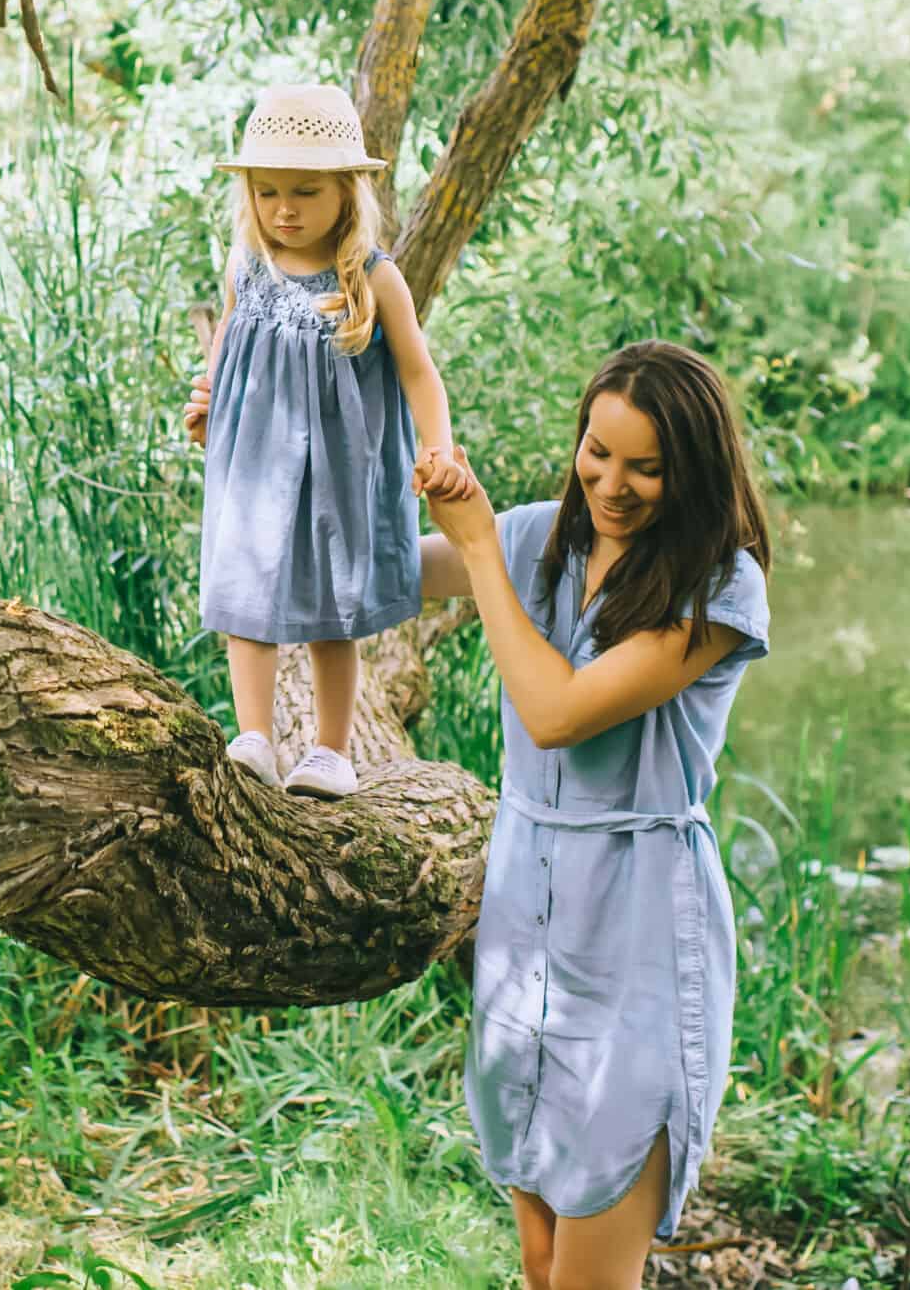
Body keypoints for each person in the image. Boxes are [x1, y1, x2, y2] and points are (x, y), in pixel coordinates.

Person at [419, 340, 772, 1290]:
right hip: (526, 920)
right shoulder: (546, 537)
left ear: (691, 470)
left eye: (645, 467)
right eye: (597, 451)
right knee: (540, 1258)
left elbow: (559, 713)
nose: (611, 483)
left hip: (637, 928)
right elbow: (369, 573)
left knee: (589, 1271)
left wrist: (484, 551)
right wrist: (262, 442)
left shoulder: (719, 587)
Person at [180, 81, 475, 800]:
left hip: (336, 471)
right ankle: (253, 735)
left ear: (347, 192)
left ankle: (331, 750)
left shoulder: (374, 279)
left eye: (305, 192)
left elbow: (419, 372)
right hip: (252, 465)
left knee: (328, 609)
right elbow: (227, 348)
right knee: (247, 598)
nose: (284, 209)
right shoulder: (245, 267)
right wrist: (206, 408)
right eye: (268, 191)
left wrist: (437, 447)